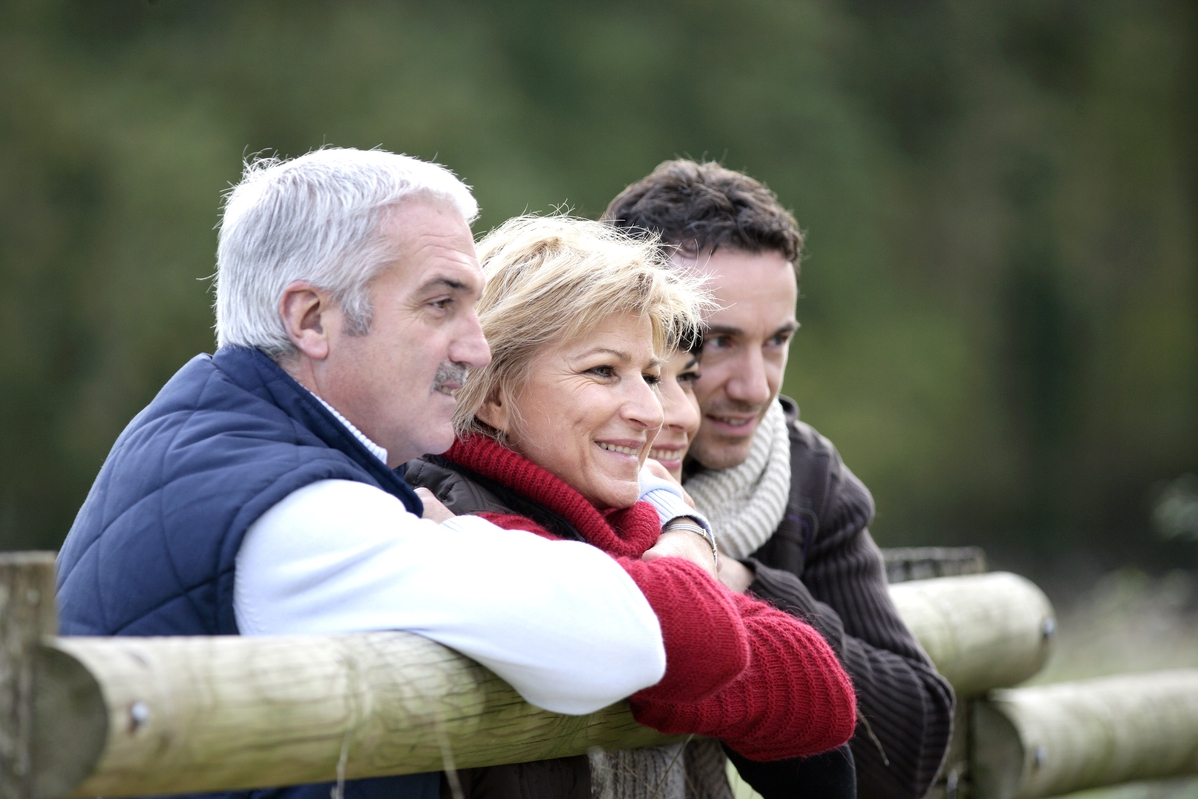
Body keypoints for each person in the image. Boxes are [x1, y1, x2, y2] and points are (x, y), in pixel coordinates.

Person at [53, 148, 704, 799]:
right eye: (440, 303)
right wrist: (681, 529)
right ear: (310, 319)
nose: (476, 347)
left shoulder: (218, 440)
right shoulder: (300, 511)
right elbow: (633, 642)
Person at [407, 215, 857, 799]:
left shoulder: (616, 520)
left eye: (649, 374)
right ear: (492, 393)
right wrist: (687, 536)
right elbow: (701, 642)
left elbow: (822, 701)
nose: (651, 410)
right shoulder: (452, 510)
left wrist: (673, 540)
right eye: (603, 372)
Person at [605, 160, 956, 799]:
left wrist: (732, 579)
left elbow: (907, 749)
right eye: (715, 343)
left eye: (776, 342)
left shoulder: (804, 480)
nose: (754, 386)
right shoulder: (537, 453)